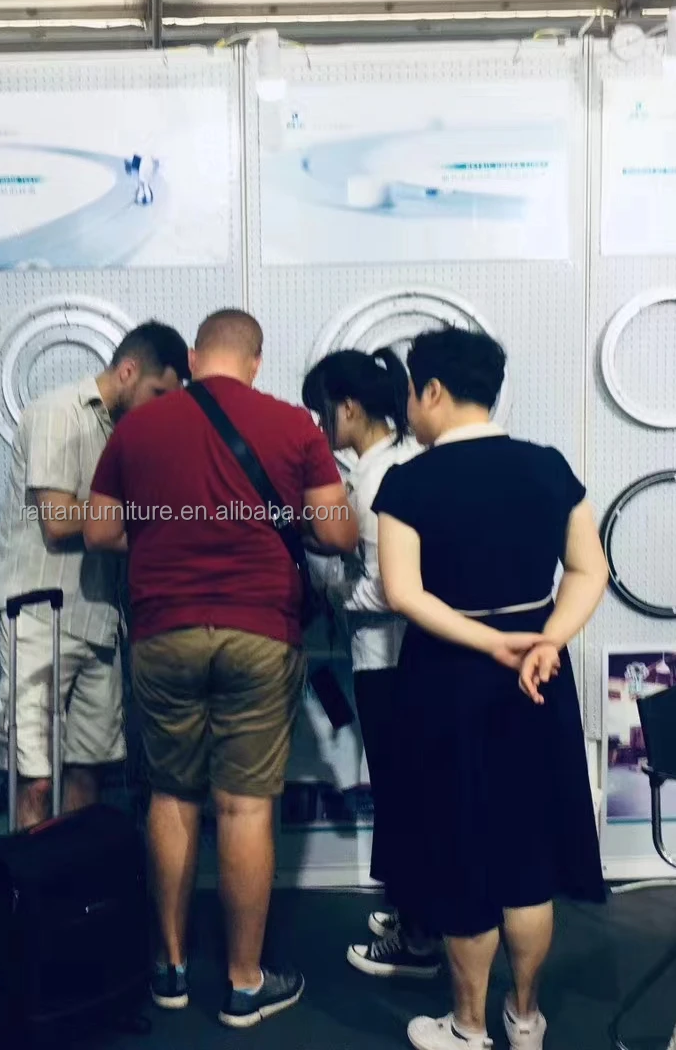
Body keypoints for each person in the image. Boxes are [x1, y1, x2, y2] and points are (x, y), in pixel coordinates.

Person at [84, 309, 357, 1029]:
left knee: (171, 797)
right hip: (260, 630)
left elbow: (101, 530)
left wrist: (167, 530)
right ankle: (243, 982)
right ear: (256, 362)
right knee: (244, 806)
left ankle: (169, 969)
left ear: (196, 356)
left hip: (163, 630)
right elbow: (336, 532)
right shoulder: (295, 425)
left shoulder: (136, 427)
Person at [373, 328, 608, 1050]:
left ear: (432, 391)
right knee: (527, 856)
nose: (409, 409)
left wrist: (490, 644)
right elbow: (589, 569)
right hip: (539, 679)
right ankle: (525, 1018)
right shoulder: (547, 466)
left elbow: (402, 593)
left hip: (446, 680)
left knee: (461, 850)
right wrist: (546, 641)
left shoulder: (408, 481)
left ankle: (467, 1027)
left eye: (411, 394)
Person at [0, 320, 190, 829]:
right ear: (128, 371)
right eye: (158, 393)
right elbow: (56, 520)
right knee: (35, 777)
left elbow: (124, 527)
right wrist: (146, 517)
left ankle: (75, 880)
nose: (162, 407)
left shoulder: (132, 433)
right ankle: (33, 883)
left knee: (89, 771)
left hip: (100, 619)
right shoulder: (59, 411)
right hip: (39, 614)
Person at [300, 348, 442, 981]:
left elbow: (388, 588)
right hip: (399, 660)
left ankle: (419, 938)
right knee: (407, 793)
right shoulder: (395, 464)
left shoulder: (382, 476)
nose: (320, 425)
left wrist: (327, 582)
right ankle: (414, 911)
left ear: (349, 407)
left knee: (405, 796)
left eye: (322, 411)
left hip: (392, 660)